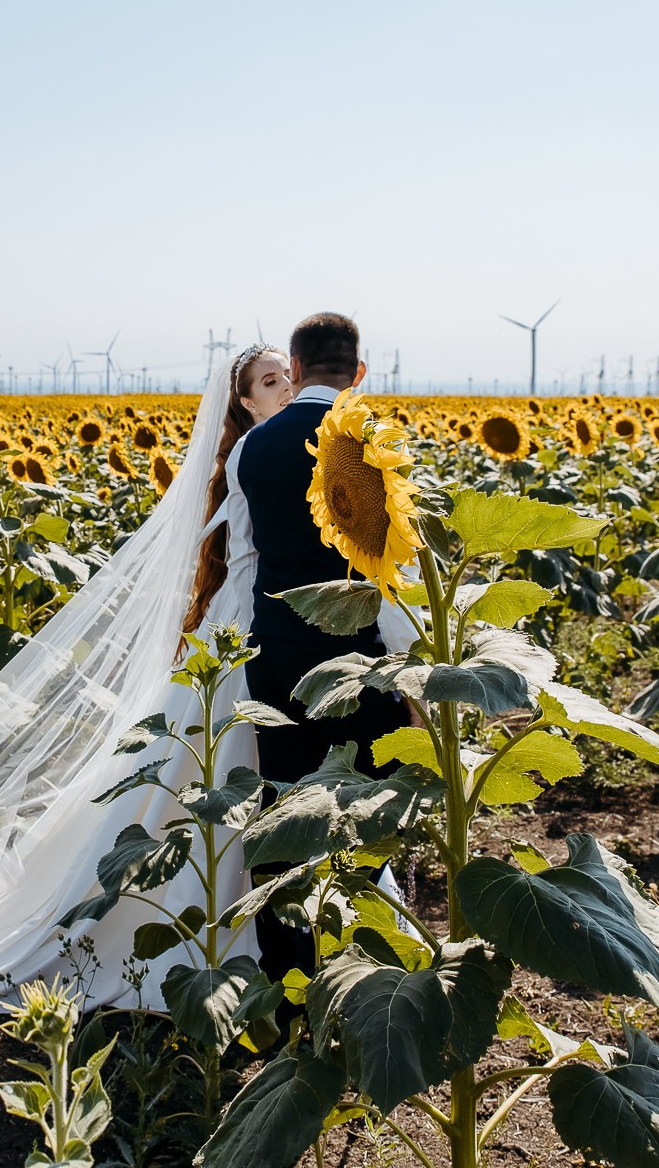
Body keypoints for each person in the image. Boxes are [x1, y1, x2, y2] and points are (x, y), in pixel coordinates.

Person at [0, 345, 300, 1016]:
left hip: (260, 615)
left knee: (225, 764)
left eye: (288, 374)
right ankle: (216, 925)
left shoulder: (276, 446)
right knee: (215, 765)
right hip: (245, 623)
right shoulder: (256, 453)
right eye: (268, 380)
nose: (285, 385)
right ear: (244, 402)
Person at [234, 311, 412, 979]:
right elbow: (390, 571)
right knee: (368, 815)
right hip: (358, 658)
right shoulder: (373, 441)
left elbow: (247, 558)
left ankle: (287, 976)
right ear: (360, 372)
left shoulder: (254, 446)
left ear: (298, 371)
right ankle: (360, 962)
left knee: (280, 811)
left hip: (274, 654)